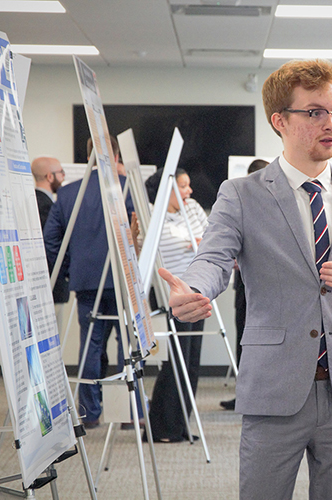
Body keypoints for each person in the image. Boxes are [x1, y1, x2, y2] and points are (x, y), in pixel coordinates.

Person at [158, 59, 332, 499]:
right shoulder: (241, 193)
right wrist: (195, 289)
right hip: (275, 387)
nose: (331, 123)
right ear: (280, 120)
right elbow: (214, 259)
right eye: (315, 112)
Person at [44, 135, 139, 428]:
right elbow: (140, 234)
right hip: (123, 281)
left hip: (86, 281)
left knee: (90, 346)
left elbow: (50, 241)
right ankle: (128, 413)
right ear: (117, 156)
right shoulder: (128, 189)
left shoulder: (68, 193)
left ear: (88, 157)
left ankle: (90, 413)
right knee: (129, 347)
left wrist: (71, 269)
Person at [147, 168, 209, 442]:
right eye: (183, 186)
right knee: (176, 360)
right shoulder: (151, 213)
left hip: (197, 291)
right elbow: (158, 248)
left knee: (191, 360)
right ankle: (163, 427)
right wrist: (192, 243)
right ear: (167, 189)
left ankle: (181, 425)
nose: (189, 191)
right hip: (168, 295)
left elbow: (210, 239)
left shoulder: (193, 208)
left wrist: (193, 244)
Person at [220, 158, 269, 411]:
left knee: (259, 342)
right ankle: (245, 394)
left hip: (265, 289)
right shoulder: (242, 206)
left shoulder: (274, 209)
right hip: (245, 286)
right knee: (245, 340)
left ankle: (255, 395)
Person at [31, 156, 70, 306]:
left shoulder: (34, 201)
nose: (63, 176)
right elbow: (52, 243)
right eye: (61, 172)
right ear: (49, 176)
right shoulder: (47, 207)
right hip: (50, 283)